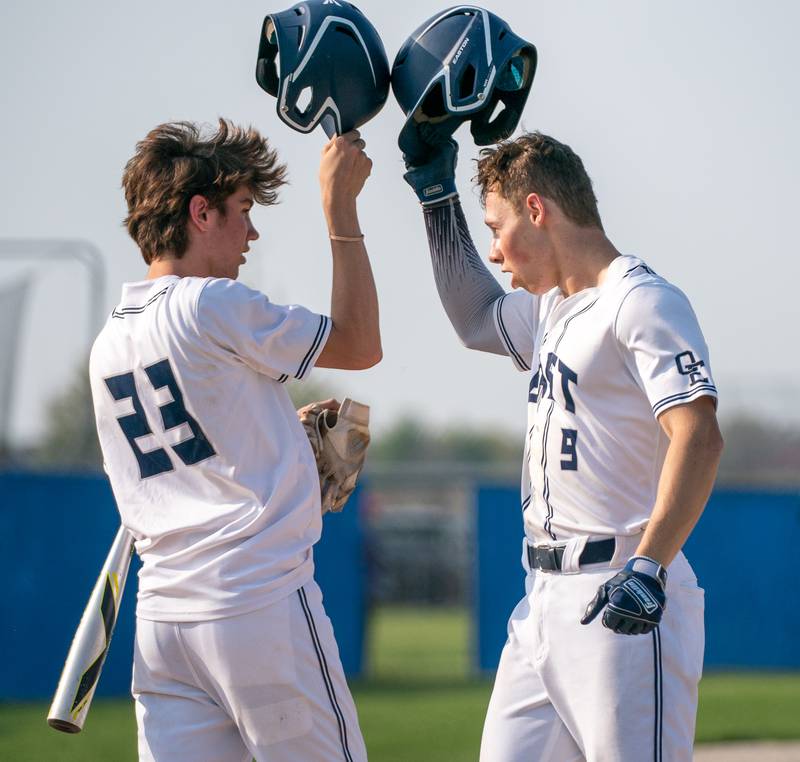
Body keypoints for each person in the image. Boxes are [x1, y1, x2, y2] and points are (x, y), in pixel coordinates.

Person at [403, 132, 723, 761]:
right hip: (541, 602)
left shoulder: (640, 300)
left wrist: (651, 566)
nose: (494, 251)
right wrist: (437, 201)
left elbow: (700, 435)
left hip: (625, 590)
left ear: (538, 209)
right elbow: (474, 320)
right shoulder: (553, 307)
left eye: (497, 227)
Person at [89, 118, 379, 762]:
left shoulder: (108, 342)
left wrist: (283, 442)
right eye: (242, 211)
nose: (251, 233)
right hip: (258, 611)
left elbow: (196, 459)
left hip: (164, 628)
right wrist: (340, 207)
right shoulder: (210, 304)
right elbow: (360, 342)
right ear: (201, 212)